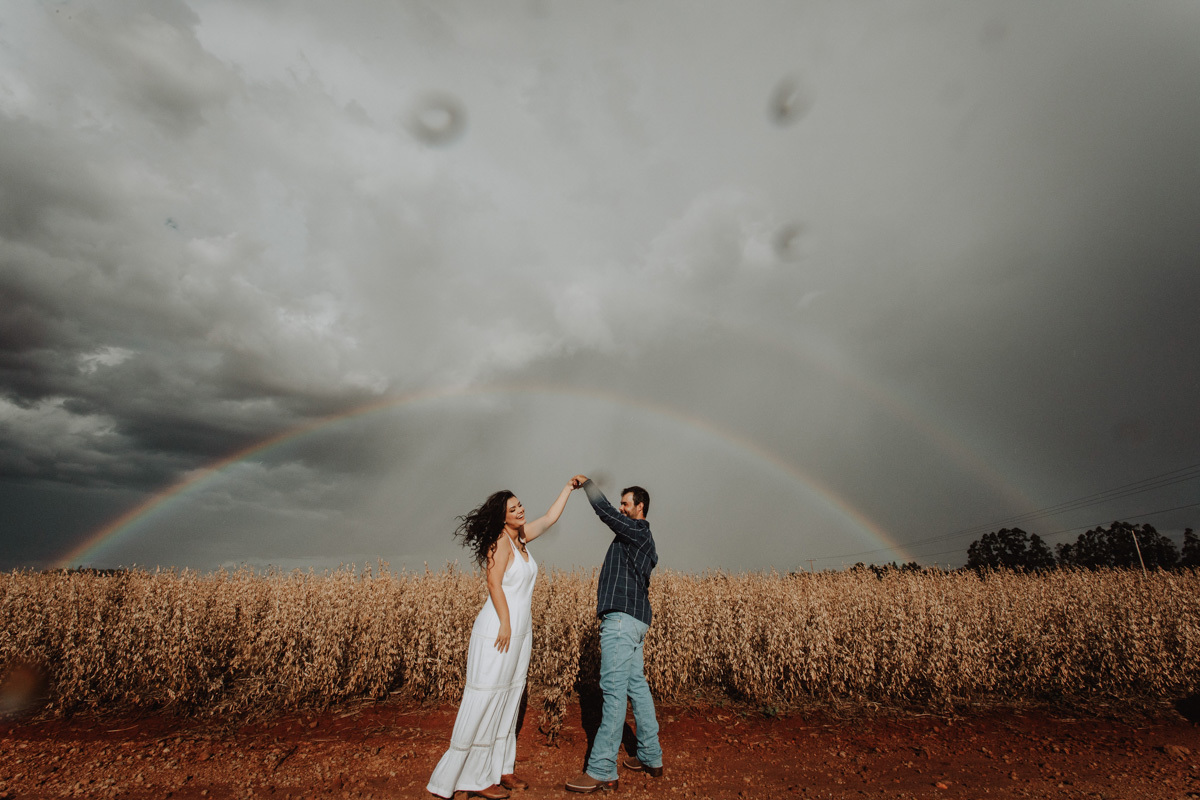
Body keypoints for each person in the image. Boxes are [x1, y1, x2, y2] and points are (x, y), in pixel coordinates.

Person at [428, 479, 579, 800]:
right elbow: (493, 583)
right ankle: (472, 778)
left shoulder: (521, 538)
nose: (520, 510)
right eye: (513, 508)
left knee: (510, 697)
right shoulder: (499, 542)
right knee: (487, 697)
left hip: (520, 633)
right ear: (502, 516)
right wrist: (506, 622)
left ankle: (501, 768)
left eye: (520, 505)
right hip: (499, 630)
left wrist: (568, 488)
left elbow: (550, 518)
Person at [565, 477, 663, 794]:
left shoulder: (637, 530)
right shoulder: (640, 538)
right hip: (635, 621)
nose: (621, 508)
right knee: (637, 687)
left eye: (626, 504)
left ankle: (602, 769)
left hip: (621, 621)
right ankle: (650, 756)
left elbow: (605, 513)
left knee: (614, 691)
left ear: (640, 507)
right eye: (621, 503)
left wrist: (588, 485)